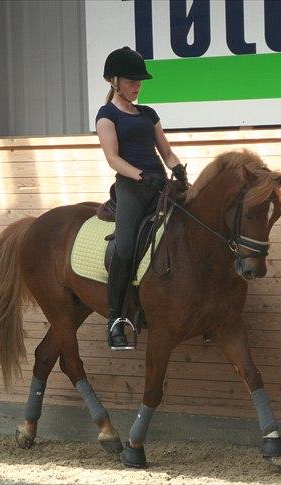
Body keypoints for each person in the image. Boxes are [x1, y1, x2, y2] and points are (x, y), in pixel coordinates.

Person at [95, 46, 188, 351]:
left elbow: (167, 151)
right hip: (132, 187)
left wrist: (178, 168)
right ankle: (114, 321)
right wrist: (139, 175)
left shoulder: (149, 114)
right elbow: (112, 158)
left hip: (161, 184)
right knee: (124, 246)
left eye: (139, 82)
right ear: (115, 81)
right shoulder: (107, 115)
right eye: (132, 81)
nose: (137, 86)